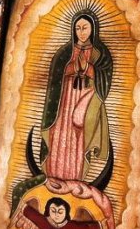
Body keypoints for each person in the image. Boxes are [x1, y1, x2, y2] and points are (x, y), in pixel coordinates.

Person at [40, 13, 112, 182]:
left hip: (85, 97)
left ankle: (74, 178)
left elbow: (105, 76)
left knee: (78, 135)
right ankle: (54, 176)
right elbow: (56, 75)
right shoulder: (65, 52)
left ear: (93, 29)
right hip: (64, 101)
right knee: (61, 134)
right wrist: (71, 68)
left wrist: (88, 69)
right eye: (78, 28)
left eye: (85, 28)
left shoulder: (100, 53)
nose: (81, 32)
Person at [23, 197, 100, 229]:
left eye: (60, 212)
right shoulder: (43, 221)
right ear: (48, 211)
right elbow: (25, 210)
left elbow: (97, 226)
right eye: (53, 210)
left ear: (66, 213)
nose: (56, 214)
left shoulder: (73, 226)